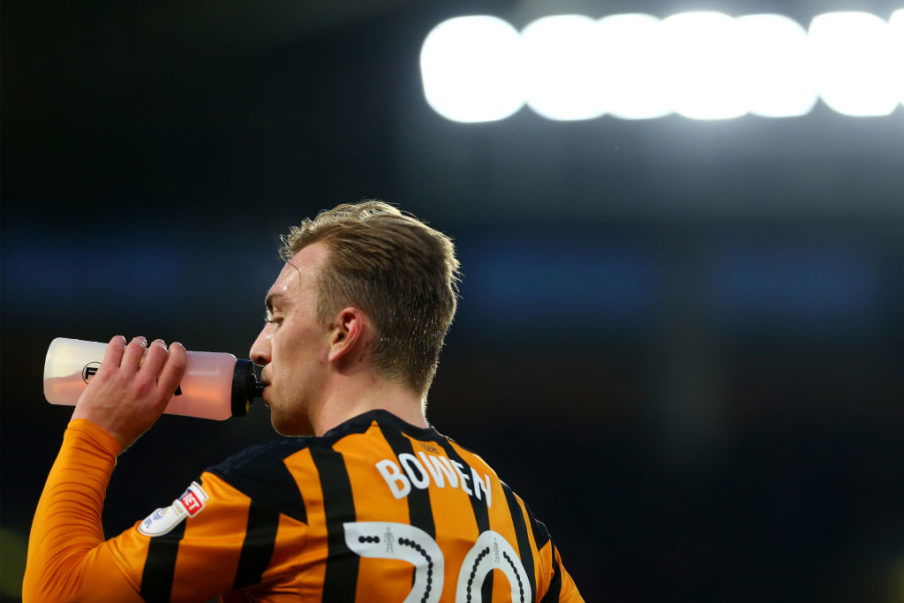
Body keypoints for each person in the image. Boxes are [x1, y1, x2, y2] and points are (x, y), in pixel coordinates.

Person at [23, 201, 583, 602]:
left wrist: (94, 433)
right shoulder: (512, 518)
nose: (257, 347)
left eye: (277, 315)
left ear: (343, 333)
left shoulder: (283, 489)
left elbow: (57, 593)